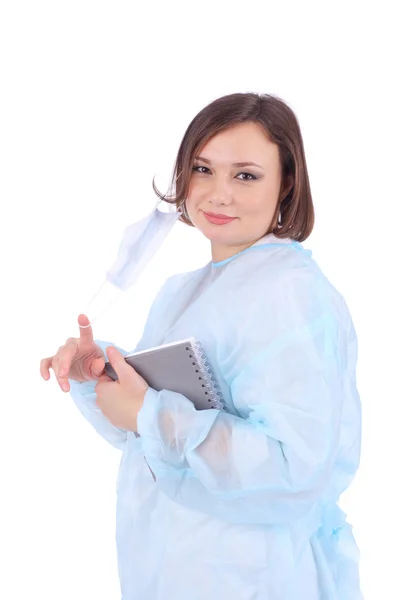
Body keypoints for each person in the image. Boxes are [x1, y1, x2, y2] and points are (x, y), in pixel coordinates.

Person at [40, 93, 363, 599]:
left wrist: (151, 413)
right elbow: (152, 444)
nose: (218, 194)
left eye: (246, 175)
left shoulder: (291, 293)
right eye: (202, 169)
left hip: (255, 578)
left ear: (287, 183)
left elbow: (291, 468)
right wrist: (99, 373)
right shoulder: (183, 290)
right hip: (171, 569)